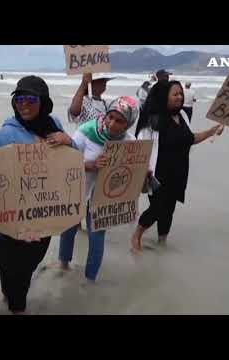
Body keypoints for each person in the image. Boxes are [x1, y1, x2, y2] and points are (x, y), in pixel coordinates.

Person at [0, 75, 75, 314]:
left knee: (28, 266)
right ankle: (15, 305)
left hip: (43, 217)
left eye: (31, 99)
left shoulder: (54, 124)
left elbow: (72, 164)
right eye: (19, 99)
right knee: (17, 275)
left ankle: (9, 295)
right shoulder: (4, 136)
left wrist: (69, 141)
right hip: (14, 227)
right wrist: (15, 226)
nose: (23, 104)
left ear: (43, 102)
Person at [130, 81, 224, 252]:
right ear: (164, 96)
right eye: (175, 94)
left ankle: (162, 240)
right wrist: (142, 170)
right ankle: (137, 235)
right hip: (157, 174)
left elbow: (191, 139)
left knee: (169, 209)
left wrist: (211, 131)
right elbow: (139, 148)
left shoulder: (183, 116)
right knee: (158, 208)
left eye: (181, 94)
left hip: (179, 172)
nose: (180, 97)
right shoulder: (153, 121)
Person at [58, 96, 140, 281]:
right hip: (78, 187)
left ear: (128, 124)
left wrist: (144, 174)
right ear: (106, 114)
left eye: (120, 121)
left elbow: (131, 173)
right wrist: (90, 165)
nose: (112, 124)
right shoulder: (86, 131)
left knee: (97, 233)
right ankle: (63, 265)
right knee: (69, 227)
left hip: (103, 195)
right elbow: (66, 160)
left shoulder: (130, 142)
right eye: (110, 117)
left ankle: (90, 278)